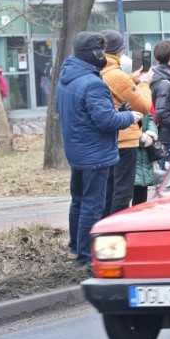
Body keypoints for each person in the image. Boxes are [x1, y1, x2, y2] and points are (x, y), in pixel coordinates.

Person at [57, 32, 141, 265]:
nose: (104, 55)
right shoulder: (94, 83)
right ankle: (86, 256)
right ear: (94, 53)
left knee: (78, 201)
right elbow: (106, 121)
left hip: (76, 151)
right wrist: (129, 115)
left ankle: (75, 247)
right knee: (92, 206)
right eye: (101, 51)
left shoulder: (67, 78)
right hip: (95, 154)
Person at [99, 30, 154, 217]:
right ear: (120, 51)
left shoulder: (100, 69)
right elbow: (144, 106)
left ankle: (105, 227)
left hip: (108, 139)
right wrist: (145, 84)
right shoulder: (116, 75)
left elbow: (117, 86)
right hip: (124, 139)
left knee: (108, 190)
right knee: (122, 191)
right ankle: (117, 230)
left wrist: (134, 78)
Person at [132, 113, 158, 206]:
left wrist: (151, 133)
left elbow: (149, 118)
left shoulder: (142, 100)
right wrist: (142, 138)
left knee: (141, 195)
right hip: (129, 154)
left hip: (144, 156)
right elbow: (124, 132)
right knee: (123, 196)